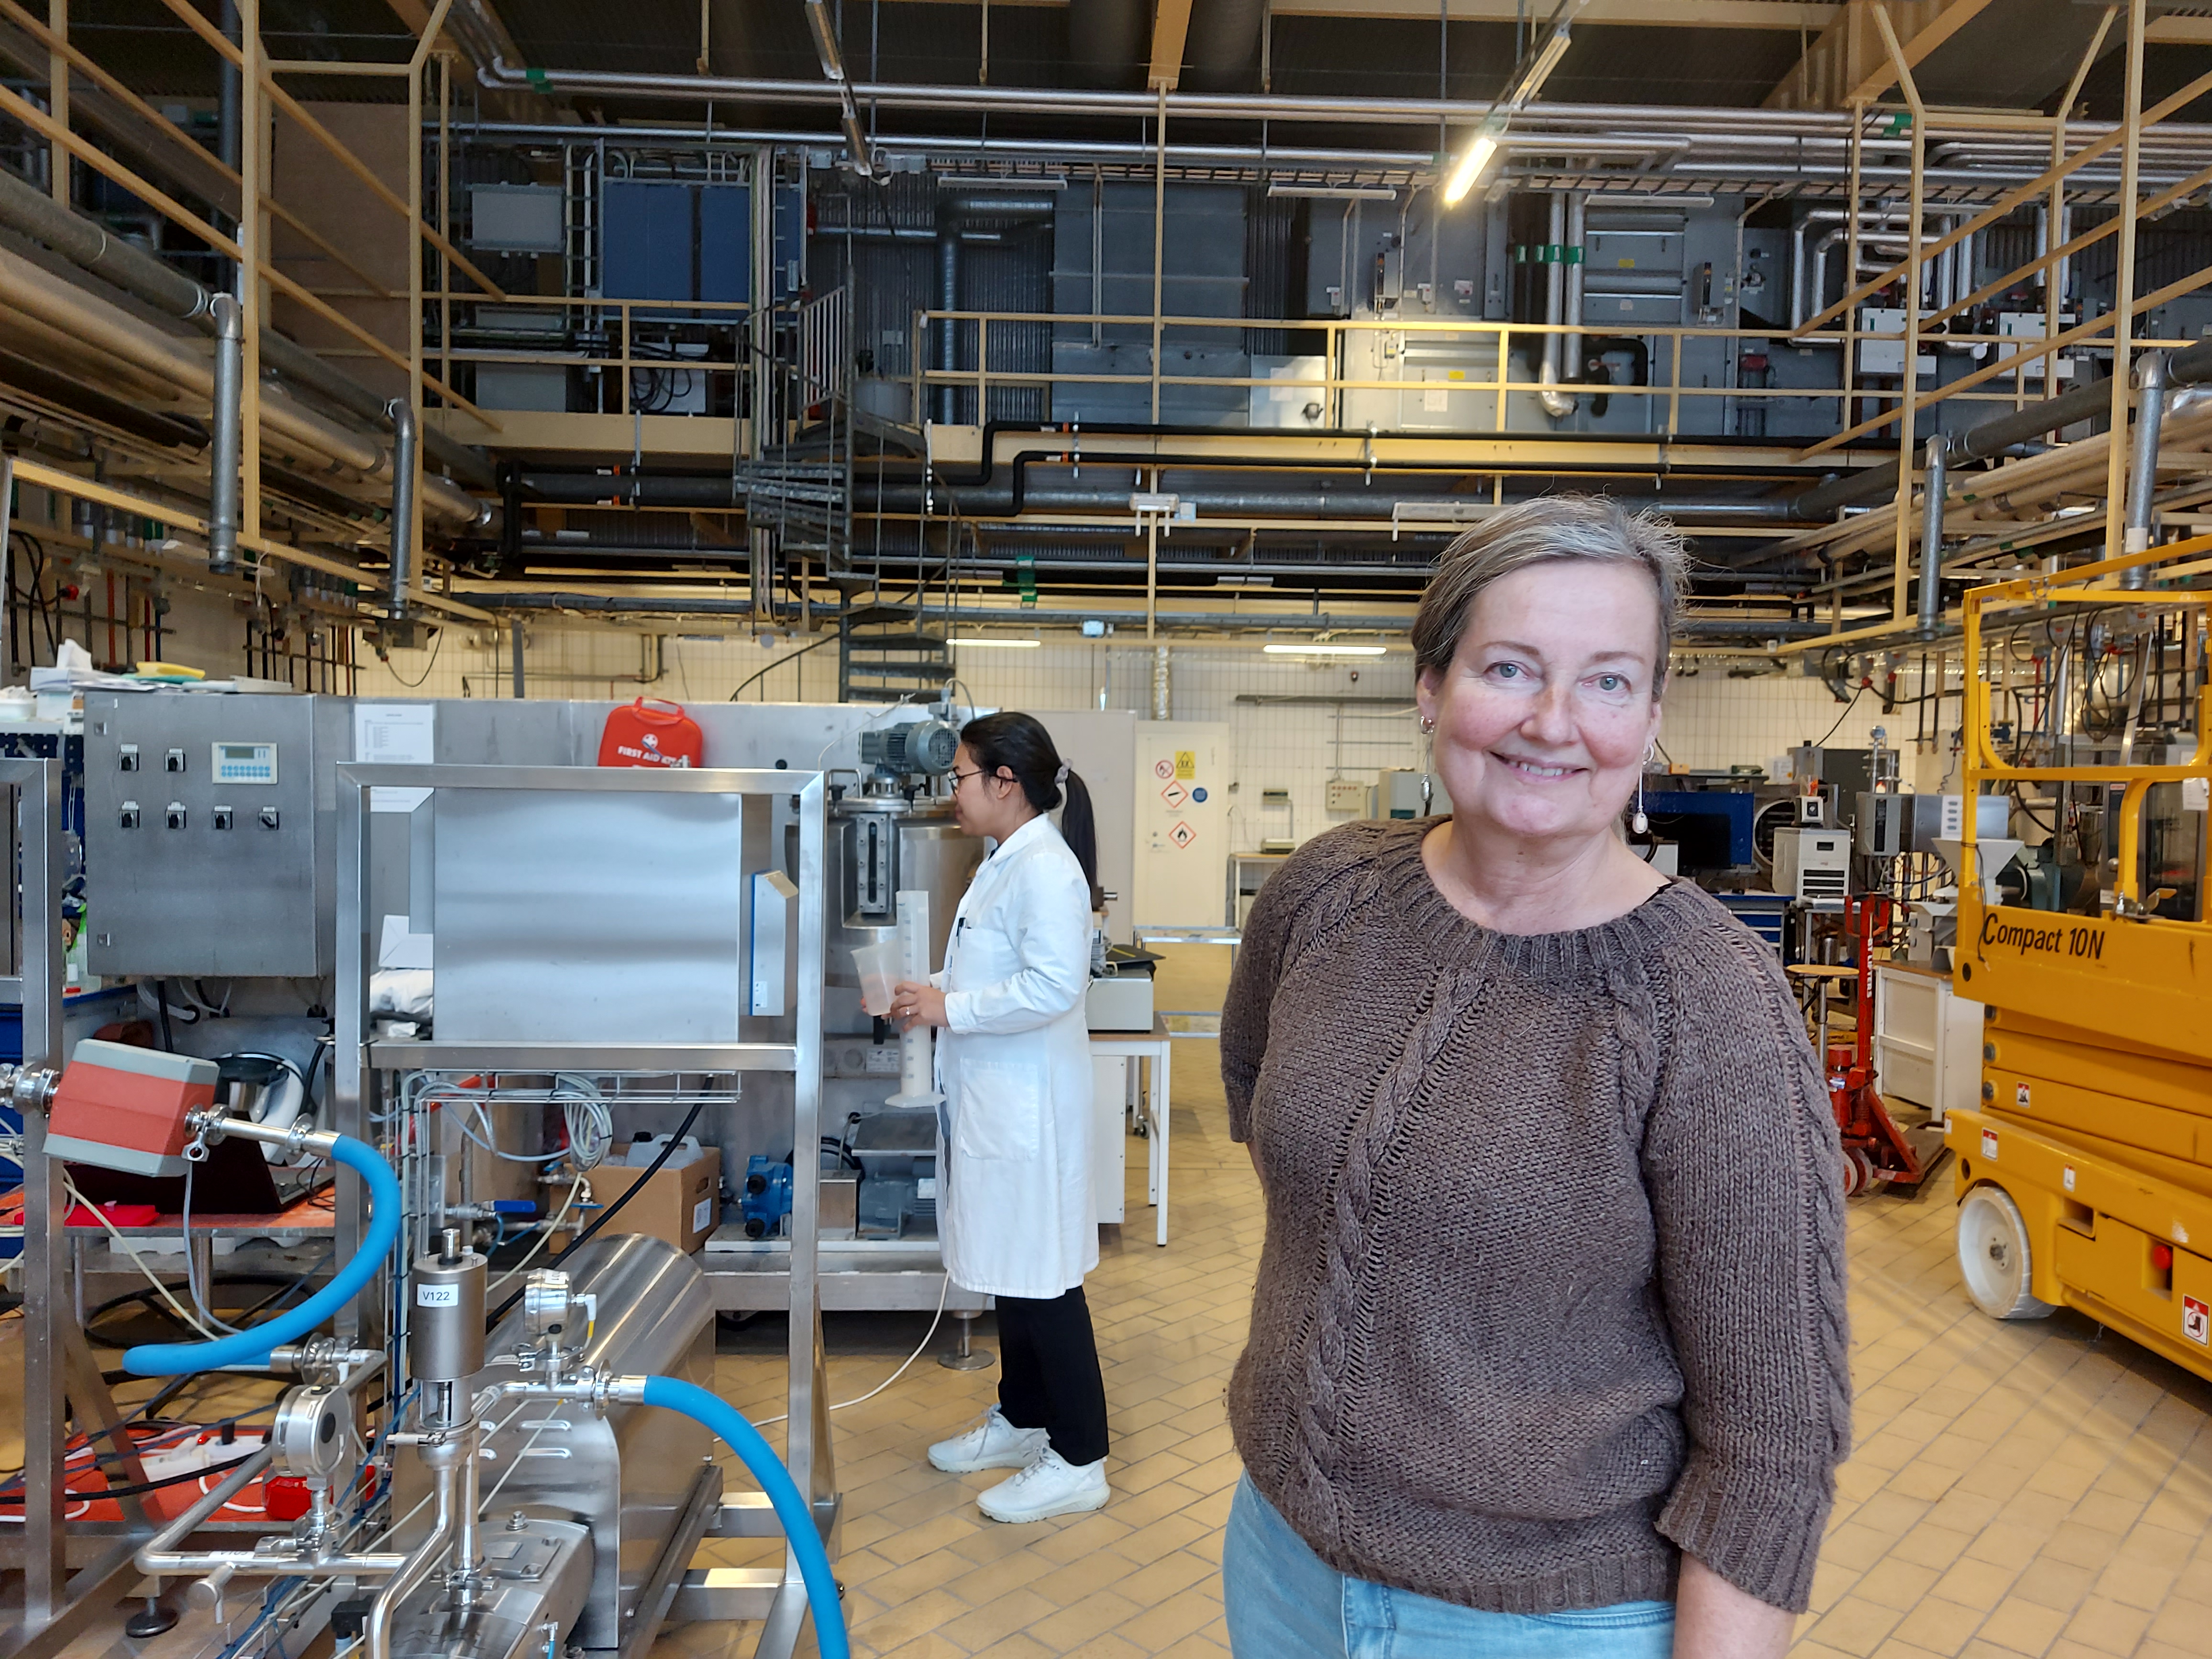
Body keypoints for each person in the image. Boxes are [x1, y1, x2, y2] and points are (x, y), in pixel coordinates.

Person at [1218, 496, 1849, 1659]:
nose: (1554, 722)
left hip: (1548, 1617)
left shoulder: (1703, 1003)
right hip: (1280, 1559)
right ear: (1430, 687)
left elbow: (1770, 1436)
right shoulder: (1320, 899)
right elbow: (1269, 1114)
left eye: (1608, 682)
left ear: (1652, 716)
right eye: (1509, 667)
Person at [888, 711, 1112, 1524]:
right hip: (996, 1104)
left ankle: (1080, 1457)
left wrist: (956, 1007)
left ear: (1004, 782)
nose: (951, 791)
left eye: (959, 777)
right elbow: (991, 964)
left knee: (1045, 1281)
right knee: (1014, 1275)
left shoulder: (1045, 869)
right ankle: (1025, 1420)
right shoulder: (999, 864)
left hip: (1029, 1115)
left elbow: (1055, 987)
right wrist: (932, 991)